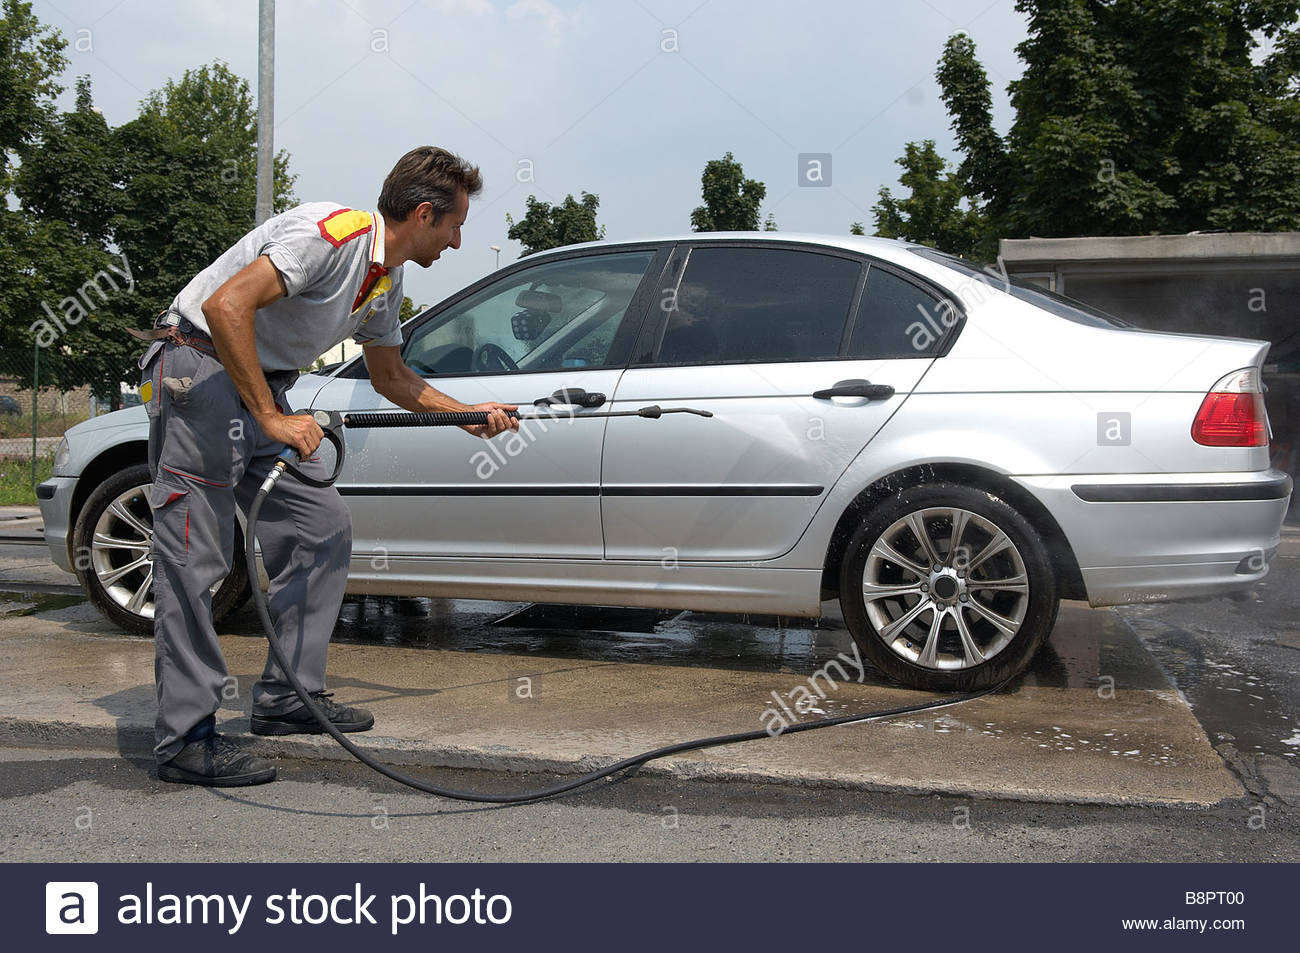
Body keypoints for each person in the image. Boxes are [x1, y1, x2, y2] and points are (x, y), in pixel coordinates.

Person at [139, 146, 517, 787]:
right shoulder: (331, 237)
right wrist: (270, 416)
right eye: (455, 226)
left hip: (256, 383)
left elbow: (391, 374)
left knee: (321, 527)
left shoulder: (384, 279)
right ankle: (185, 738)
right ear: (424, 214)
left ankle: (289, 697)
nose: (456, 242)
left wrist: (468, 413)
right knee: (193, 556)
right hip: (198, 370)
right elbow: (225, 307)